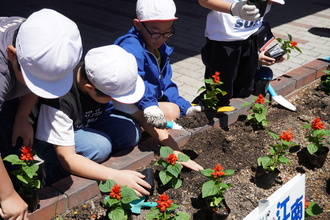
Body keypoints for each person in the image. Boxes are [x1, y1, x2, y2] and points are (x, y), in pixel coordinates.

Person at [33, 45, 152, 197]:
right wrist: (115, 176)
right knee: (98, 147)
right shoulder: (60, 101)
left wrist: (169, 143)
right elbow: (68, 157)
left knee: (131, 133)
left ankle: (92, 164)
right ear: (89, 88)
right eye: (111, 98)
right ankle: (50, 174)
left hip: (84, 121)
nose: (115, 100)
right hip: (50, 139)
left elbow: (137, 114)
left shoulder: (102, 78)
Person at [0, 9, 82, 219]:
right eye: (31, 79)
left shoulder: (44, 40)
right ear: (12, 55)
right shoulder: (2, 71)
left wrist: (21, 117)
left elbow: (33, 85)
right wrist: (7, 195)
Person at [111, 0, 203, 171]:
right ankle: (140, 126)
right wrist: (174, 150)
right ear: (138, 25)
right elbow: (136, 84)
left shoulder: (160, 49)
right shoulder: (130, 49)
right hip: (123, 104)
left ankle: (145, 125)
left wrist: (186, 107)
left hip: (144, 102)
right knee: (130, 134)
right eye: (155, 33)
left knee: (174, 109)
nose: (161, 38)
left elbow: (166, 84)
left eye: (167, 32)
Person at [195, 0, 285, 111]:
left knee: (243, 85)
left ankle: (234, 101)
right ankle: (210, 106)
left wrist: (259, 54)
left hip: (250, 38)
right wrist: (233, 8)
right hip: (223, 40)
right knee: (220, 82)